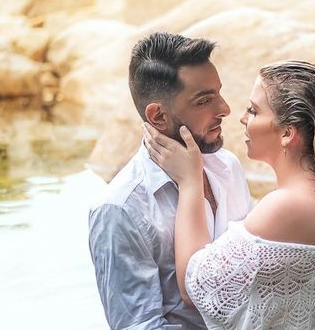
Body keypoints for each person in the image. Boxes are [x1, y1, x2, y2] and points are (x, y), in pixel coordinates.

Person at [144, 60, 315, 330]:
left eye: (254, 110)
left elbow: (194, 288)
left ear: (287, 133)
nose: (242, 117)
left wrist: (190, 181)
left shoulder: (285, 206)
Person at [89, 32, 252, 330]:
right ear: (158, 116)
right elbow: (140, 326)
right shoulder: (120, 209)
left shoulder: (227, 167)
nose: (225, 109)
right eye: (204, 101)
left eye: (219, 93)